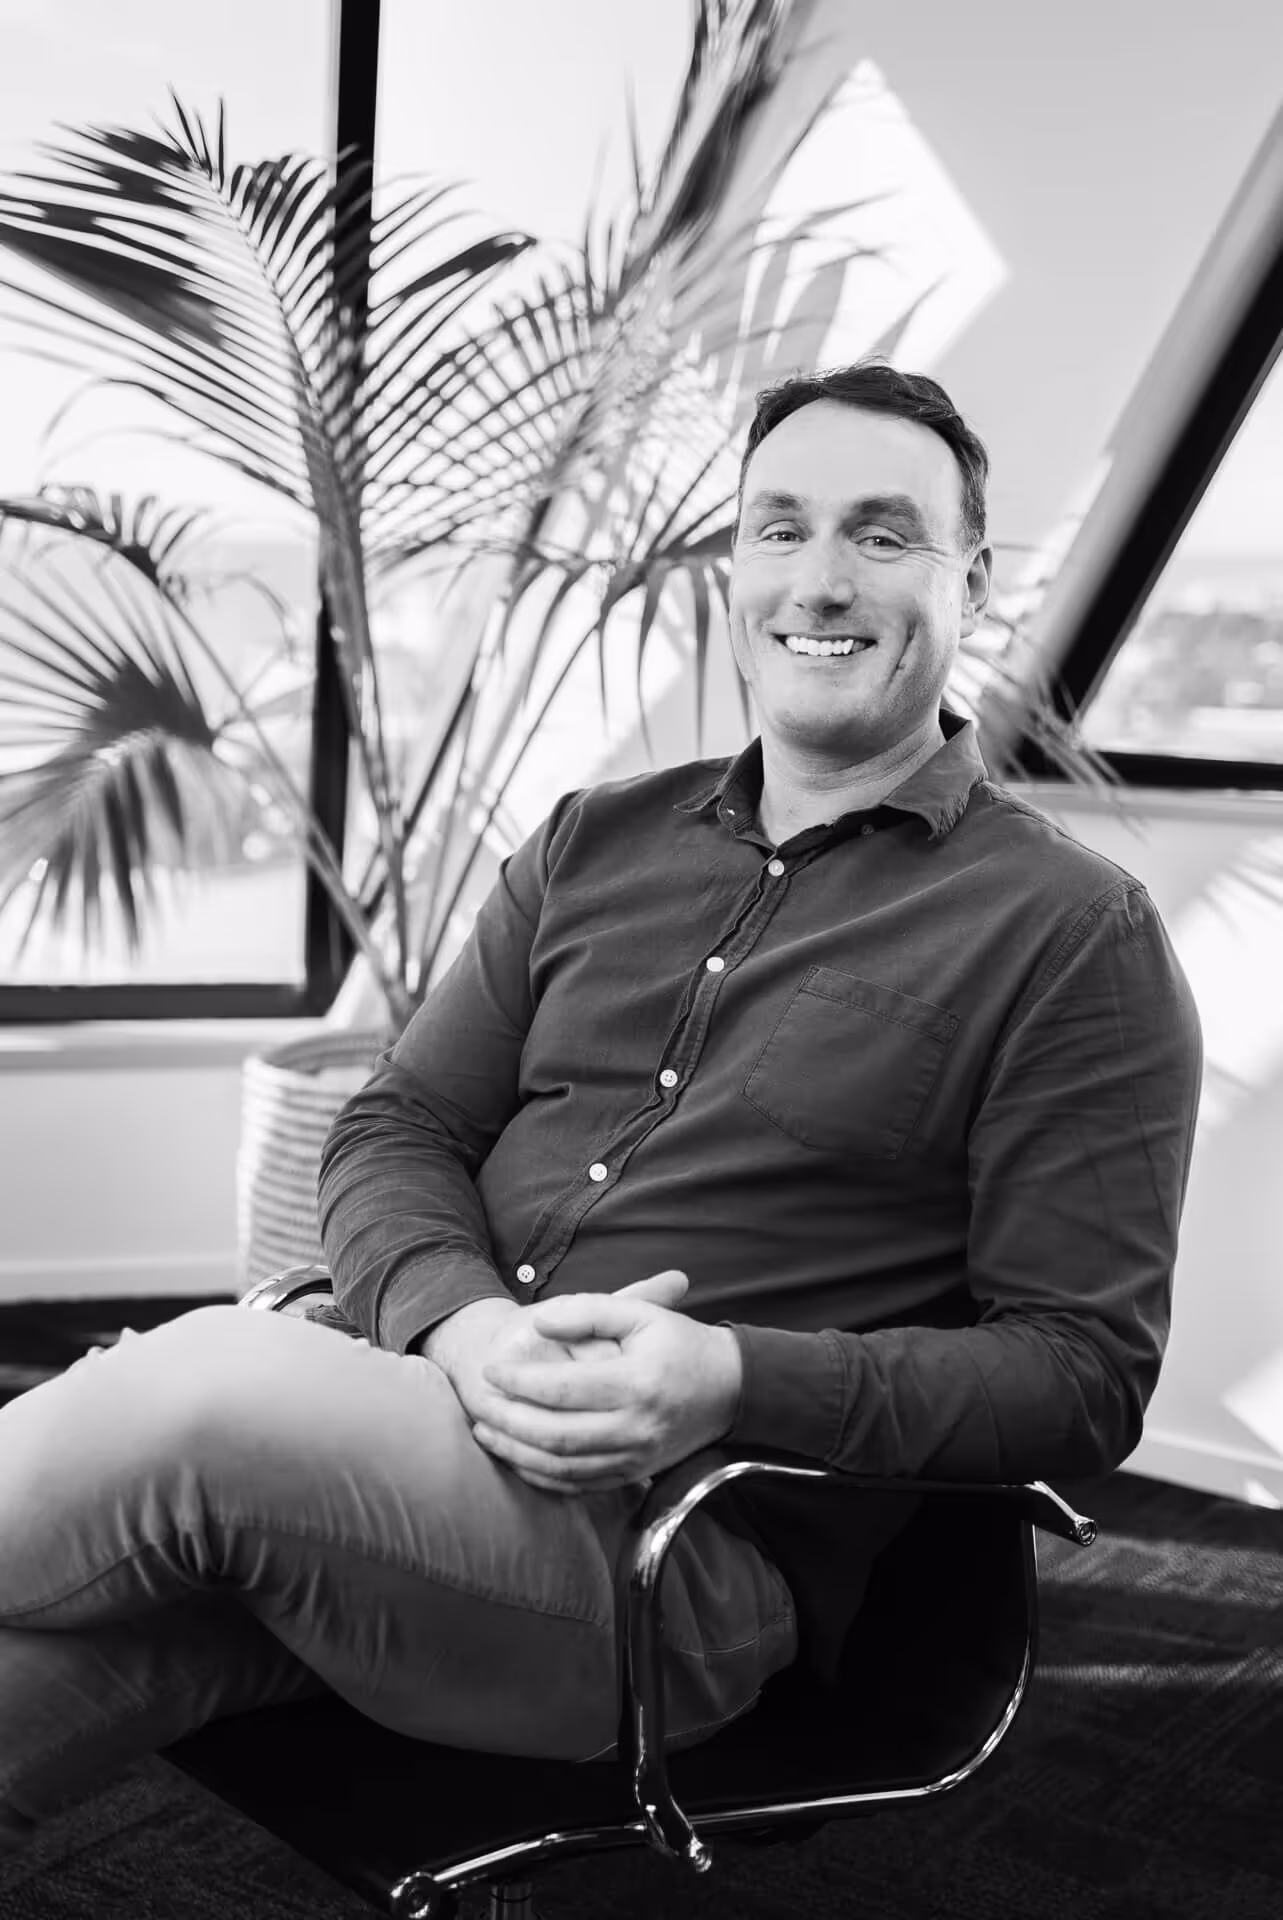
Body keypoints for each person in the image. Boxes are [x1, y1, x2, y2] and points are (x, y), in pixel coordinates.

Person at [0, 362, 1203, 1857]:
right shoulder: (593, 840)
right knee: (53, 1663)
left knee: (196, 1396)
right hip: (398, 1435)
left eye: (882, 535)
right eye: (778, 528)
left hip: (659, 1569)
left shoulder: (1070, 934)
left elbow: (1078, 1375)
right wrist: (463, 1326)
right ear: (732, 565)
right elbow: (397, 1128)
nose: (818, 579)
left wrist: (725, 1378)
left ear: (970, 581)